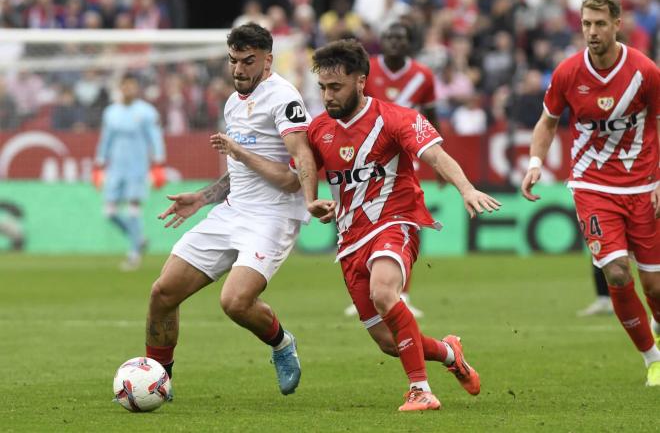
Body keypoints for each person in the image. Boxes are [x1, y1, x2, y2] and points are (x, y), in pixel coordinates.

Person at [215, 39, 501, 411]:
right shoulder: (319, 130)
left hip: (394, 222)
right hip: (350, 239)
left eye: (336, 87)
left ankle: (420, 390)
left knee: (386, 294)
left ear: (361, 81)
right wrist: (308, 199)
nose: (327, 96)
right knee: (387, 339)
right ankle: (449, 353)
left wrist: (465, 188)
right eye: (322, 88)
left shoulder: (396, 119)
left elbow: (436, 155)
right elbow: (294, 176)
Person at [145, 23, 323, 397]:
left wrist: (243, 154)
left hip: (272, 217)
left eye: (247, 61)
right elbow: (239, 173)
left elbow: (295, 172)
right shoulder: (233, 102)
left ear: (268, 60)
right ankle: (157, 381)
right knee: (163, 293)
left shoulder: (284, 99)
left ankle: (281, 343)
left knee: (235, 301)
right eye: (233, 61)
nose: (238, 69)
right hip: (232, 211)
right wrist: (203, 197)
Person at [521, 0, 660, 386]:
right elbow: (547, 123)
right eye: (586, 24)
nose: (592, 31)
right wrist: (535, 164)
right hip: (591, 185)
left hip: (643, 185)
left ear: (618, 24)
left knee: (655, 287)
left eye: (600, 24)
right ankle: (653, 358)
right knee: (616, 272)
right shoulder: (567, 73)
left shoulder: (645, 72)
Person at [356, 21, 439, 318]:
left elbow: (431, 117)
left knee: (407, 220)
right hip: (367, 157)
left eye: (399, 38)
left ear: (408, 43)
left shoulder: (423, 76)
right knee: (363, 220)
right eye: (388, 36)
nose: (392, 42)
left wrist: (439, 161)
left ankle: (401, 292)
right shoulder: (367, 71)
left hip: (406, 157)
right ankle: (367, 290)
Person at [93, 73, 166, 271]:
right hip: (115, 168)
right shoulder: (111, 112)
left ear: (137, 89)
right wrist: (99, 163)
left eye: (133, 86)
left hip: (137, 169)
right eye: (125, 86)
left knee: (133, 210)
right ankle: (139, 238)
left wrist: (159, 163)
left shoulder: (146, 112)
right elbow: (106, 139)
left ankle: (133, 254)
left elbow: (155, 137)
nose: (129, 90)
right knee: (109, 212)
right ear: (120, 87)